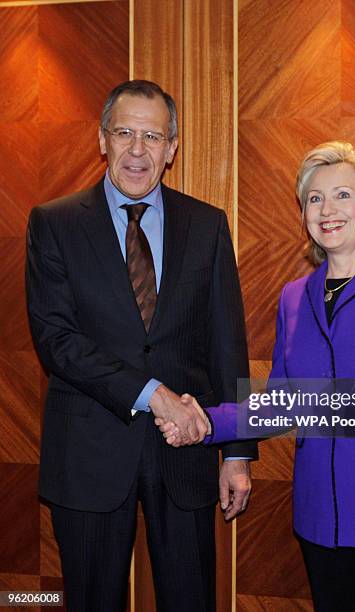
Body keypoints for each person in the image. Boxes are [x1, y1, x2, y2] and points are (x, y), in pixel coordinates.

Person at [160, 142, 355, 611]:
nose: (326, 209)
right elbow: (282, 404)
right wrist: (203, 419)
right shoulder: (293, 297)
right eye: (314, 198)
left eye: (343, 195)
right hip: (320, 523)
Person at [26, 79, 257, 612]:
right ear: (101, 139)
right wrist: (153, 393)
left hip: (186, 457)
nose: (137, 149)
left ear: (172, 148)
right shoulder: (54, 223)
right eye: (124, 132)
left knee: (191, 598)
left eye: (152, 136)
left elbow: (228, 344)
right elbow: (57, 342)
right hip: (88, 456)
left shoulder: (207, 224)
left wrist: (238, 452)